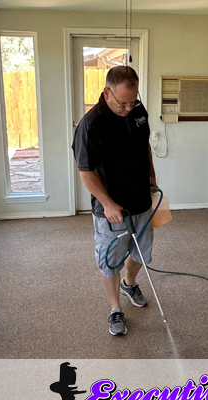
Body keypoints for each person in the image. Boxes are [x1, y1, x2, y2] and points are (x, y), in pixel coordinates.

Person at [72, 66, 158, 336]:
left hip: (141, 198)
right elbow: (86, 171)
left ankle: (128, 284)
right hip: (111, 207)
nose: (128, 108)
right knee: (110, 260)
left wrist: (152, 176)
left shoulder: (138, 111)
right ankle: (115, 309)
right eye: (123, 103)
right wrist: (108, 204)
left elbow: (144, 145)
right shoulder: (91, 125)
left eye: (133, 101)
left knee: (142, 252)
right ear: (107, 92)